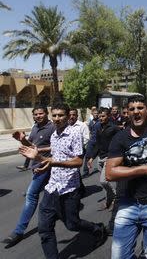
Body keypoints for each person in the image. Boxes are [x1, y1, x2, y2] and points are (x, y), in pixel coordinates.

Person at [19, 103, 107, 258]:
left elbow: (78, 161)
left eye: (61, 115)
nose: (57, 118)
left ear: (68, 116)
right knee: (45, 229)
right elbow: (56, 157)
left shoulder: (74, 134)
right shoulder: (54, 135)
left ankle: (97, 229)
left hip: (69, 190)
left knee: (72, 224)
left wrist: (53, 163)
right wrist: (44, 164)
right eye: (55, 115)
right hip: (52, 188)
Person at [106, 95, 147, 259]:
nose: (136, 111)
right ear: (127, 113)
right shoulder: (120, 138)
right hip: (128, 204)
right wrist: (143, 169)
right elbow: (110, 173)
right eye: (132, 109)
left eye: (140, 108)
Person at [2, 105, 55, 248]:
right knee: (53, 195)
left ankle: (19, 231)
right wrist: (23, 140)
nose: (38, 116)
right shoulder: (35, 127)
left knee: (31, 196)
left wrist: (40, 150)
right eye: (36, 114)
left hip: (47, 166)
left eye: (41, 113)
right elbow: (32, 145)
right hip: (36, 166)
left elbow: (56, 146)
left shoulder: (52, 127)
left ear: (46, 113)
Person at [87, 107, 120, 211]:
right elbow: (97, 144)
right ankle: (108, 201)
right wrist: (92, 157)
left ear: (108, 116)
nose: (101, 118)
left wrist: (116, 154)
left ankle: (116, 197)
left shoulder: (114, 128)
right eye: (99, 116)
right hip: (100, 158)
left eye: (103, 116)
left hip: (109, 157)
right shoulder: (98, 127)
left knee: (104, 181)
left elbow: (120, 142)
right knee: (104, 183)